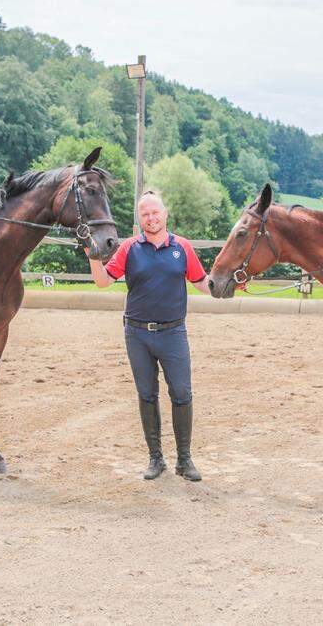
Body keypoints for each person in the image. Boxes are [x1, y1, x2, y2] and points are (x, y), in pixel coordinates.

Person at [86, 191, 209, 481]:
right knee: (147, 394)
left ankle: (184, 460)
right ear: (139, 219)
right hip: (138, 334)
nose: (151, 218)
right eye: (145, 214)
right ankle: (156, 459)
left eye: (155, 213)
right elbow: (103, 281)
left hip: (173, 333)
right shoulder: (129, 248)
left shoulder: (183, 248)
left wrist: (229, 285)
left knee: (181, 393)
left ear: (165, 214)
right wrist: (93, 256)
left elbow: (203, 282)